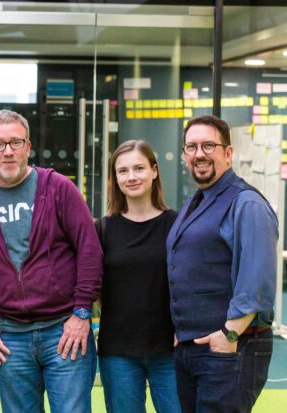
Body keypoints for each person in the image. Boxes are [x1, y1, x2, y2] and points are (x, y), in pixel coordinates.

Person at [0, 109, 103, 413]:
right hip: (10, 337)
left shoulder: (58, 188)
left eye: (16, 142)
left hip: (64, 331)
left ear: (29, 147)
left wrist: (82, 313)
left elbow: (89, 250)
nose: (8, 151)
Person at [167, 115, 277, 412]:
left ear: (228, 154)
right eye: (191, 147)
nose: (199, 154)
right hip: (196, 350)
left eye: (208, 145)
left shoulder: (246, 203)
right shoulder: (198, 201)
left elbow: (256, 280)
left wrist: (228, 335)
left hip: (230, 349)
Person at [96, 140, 181, 413]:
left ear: (154, 171)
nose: (131, 177)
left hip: (170, 348)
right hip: (118, 351)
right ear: (115, 178)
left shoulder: (177, 225)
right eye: (122, 171)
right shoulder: (103, 229)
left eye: (139, 168)